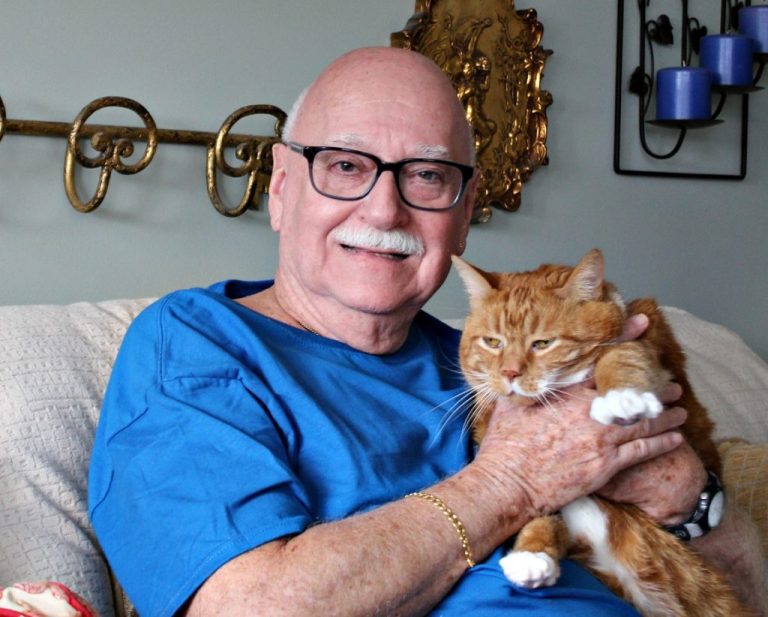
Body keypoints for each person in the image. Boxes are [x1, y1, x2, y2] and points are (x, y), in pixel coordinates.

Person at [88, 47, 764, 617]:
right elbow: (249, 604)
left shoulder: (486, 358)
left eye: (427, 175)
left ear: (465, 215)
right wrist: (513, 480)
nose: (385, 207)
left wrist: (688, 497)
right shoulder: (193, 345)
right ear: (283, 187)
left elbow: (749, 591)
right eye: (346, 165)